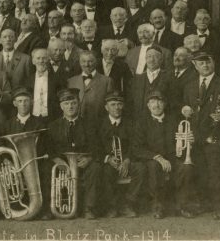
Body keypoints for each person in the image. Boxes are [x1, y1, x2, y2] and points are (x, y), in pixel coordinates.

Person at [181, 51, 220, 219]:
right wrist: (184, 109)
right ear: (195, 66)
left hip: (216, 135)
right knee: (200, 172)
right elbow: (186, 107)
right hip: (196, 137)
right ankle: (204, 204)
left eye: (208, 62)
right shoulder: (189, 86)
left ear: (214, 64)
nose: (205, 65)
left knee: (215, 171)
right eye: (201, 63)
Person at [133, 91, 195, 219]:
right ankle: (157, 206)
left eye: (160, 102)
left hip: (173, 157)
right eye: (153, 102)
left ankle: (182, 206)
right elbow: (137, 148)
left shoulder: (174, 120)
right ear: (148, 105)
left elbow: (181, 144)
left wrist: (188, 140)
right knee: (154, 167)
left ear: (165, 104)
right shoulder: (141, 122)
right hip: (152, 159)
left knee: (186, 167)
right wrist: (158, 157)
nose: (157, 105)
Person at [42, 88, 101, 219]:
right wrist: (58, 160)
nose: (70, 106)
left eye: (73, 103)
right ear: (61, 106)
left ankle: (88, 208)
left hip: (83, 163)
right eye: (66, 104)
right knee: (46, 168)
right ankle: (49, 209)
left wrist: (89, 158)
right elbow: (48, 148)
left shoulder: (89, 124)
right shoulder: (53, 126)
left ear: (78, 104)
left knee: (95, 168)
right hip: (61, 163)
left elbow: (96, 146)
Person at [96, 94, 144, 218]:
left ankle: (127, 204)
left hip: (127, 160)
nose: (117, 108)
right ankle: (111, 206)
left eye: (119, 104)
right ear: (106, 107)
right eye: (113, 105)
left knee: (140, 168)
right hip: (109, 162)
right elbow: (96, 146)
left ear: (123, 106)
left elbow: (135, 144)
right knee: (105, 171)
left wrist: (127, 160)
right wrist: (108, 158)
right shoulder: (99, 124)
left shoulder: (131, 123)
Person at [67, 51, 115, 124]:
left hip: (99, 124)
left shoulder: (107, 81)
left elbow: (111, 107)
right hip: (77, 126)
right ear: (79, 63)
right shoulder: (71, 81)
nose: (87, 64)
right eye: (84, 61)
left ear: (96, 62)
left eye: (90, 61)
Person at [128, 46, 173, 119]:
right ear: (145, 59)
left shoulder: (169, 78)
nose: (151, 60)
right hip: (139, 122)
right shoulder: (136, 79)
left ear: (161, 60)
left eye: (156, 57)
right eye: (149, 57)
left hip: (161, 122)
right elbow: (131, 102)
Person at [25, 48, 62, 122]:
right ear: (33, 61)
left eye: (44, 58)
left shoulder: (57, 79)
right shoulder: (27, 80)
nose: (41, 61)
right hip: (32, 119)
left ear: (48, 60)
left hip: (52, 119)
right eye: (38, 58)